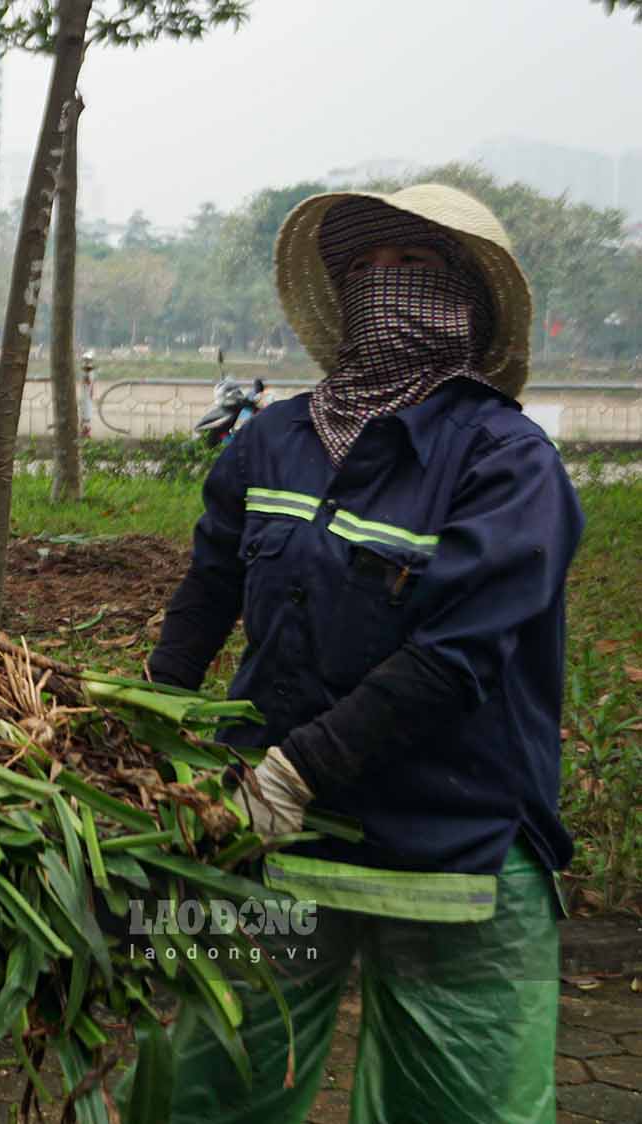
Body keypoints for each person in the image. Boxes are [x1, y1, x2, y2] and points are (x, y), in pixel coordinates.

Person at [147, 184, 580, 1123]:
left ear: (465, 297)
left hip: (450, 848)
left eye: (415, 269)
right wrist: (145, 721)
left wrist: (296, 771)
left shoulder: (505, 463)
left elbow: (457, 657)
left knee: (462, 1106)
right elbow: (211, 588)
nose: (386, 290)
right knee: (216, 1083)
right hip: (271, 841)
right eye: (366, 271)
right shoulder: (274, 439)